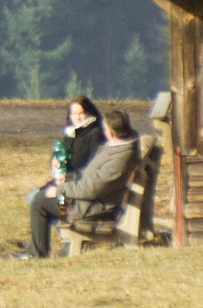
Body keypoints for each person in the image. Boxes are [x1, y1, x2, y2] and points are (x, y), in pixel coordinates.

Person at [27, 100, 139, 258]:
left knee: (40, 202)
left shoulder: (118, 157)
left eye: (106, 129)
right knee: (42, 196)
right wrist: (66, 181)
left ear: (111, 133)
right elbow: (89, 179)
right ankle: (44, 250)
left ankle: (37, 254)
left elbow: (91, 189)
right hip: (88, 203)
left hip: (90, 209)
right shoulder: (119, 149)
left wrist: (60, 190)